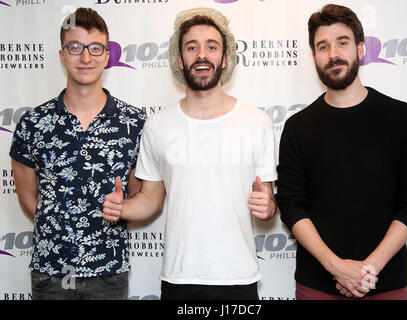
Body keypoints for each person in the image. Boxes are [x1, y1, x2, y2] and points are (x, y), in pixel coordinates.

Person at [103, 7, 277, 300]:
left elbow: (268, 203)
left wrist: (268, 207)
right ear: (180, 59)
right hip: (179, 277)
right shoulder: (158, 125)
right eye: (191, 47)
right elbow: (150, 199)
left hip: (238, 277)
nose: (202, 55)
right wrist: (124, 208)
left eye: (211, 46)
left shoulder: (257, 122)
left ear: (224, 58)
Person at [276, 4, 407, 300]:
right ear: (313, 57)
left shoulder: (403, 118)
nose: (333, 54)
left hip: (387, 282)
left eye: (342, 42)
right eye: (323, 46)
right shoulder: (297, 127)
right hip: (317, 285)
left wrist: (367, 270)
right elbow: (292, 205)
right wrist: (336, 267)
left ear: (361, 49)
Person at [10, 8, 146, 300]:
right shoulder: (33, 123)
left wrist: (119, 208)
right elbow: (27, 197)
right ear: (62, 55)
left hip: (109, 273)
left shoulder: (133, 122)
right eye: (76, 47)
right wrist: (62, 224)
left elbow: (138, 195)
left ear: (107, 56)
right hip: (50, 273)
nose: (86, 58)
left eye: (95, 48)